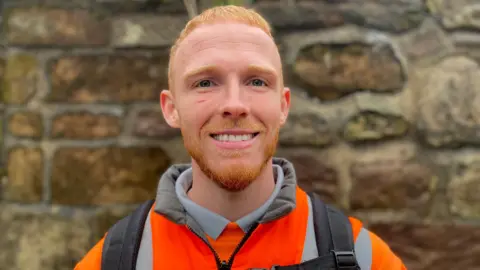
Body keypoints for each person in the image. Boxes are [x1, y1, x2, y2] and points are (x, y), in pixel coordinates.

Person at [75, 5, 407, 270]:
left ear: (283, 106)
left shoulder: (362, 257)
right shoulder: (113, 261)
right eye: (205, 83)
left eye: (257, 82)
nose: (234, 104)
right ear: (171, 108)